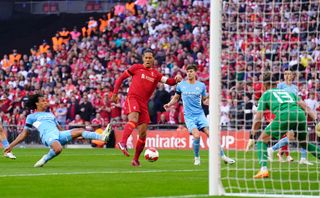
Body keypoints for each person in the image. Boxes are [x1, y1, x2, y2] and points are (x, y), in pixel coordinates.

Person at [111, 49, 182, 166]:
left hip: (143, 103)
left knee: (143, 133)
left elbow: (169, 82)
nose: (148, 60)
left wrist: (176, 79)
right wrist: (115, 93)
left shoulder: (156, 74)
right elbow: (120, 79)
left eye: (150, 58)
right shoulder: (136, 68)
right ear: (143, 58)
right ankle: (122, 142)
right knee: (133, 119)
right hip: (132, 98)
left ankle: (135, 160)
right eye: (146, 57)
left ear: (153, 59)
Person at [4, 94, 111, 167]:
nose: (46, 102)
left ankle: (102, 137)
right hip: (47, 136)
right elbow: (24, 133)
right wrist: (11, 146)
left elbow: (62, 130)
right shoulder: (31, 116)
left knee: (79, 130)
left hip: (58, 134)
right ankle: (45, 158)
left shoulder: (50, 114)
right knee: (58, 148)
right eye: (43, 101)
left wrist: (76, 136)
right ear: (37, 104)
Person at [248, 73, 320, 178]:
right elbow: (306, 107)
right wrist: (317, 121)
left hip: (285, 115)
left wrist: (252, 135)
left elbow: (258, 118)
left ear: (264, 85)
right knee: (304, 144)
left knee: (261, 141)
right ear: (276, 84)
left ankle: (263, 170)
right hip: (300, 115)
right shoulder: (289, 93)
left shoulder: (266, 94)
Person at [163, 64, 235, 165]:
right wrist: (169, 104)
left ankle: (223, 156)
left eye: (191, 71)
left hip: (200, 115)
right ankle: (197, 158)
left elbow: (204, 100)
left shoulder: (201, 86)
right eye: (188, 71)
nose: (189, 73)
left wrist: (210, 101)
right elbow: (176, 98)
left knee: (211, 135)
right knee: (196, 135)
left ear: (195, 72)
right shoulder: (181, 85)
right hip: (189, 116)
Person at [267, 70, 312, 165]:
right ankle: (273, 149)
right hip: (285, 113)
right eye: (286, 74)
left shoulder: (295, 87)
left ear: (293, 76)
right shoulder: (280, 86)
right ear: (284, 76)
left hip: (295, 112)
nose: (288, 76)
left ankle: (302, 158)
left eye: (290, 74)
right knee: (293, 135)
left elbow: (298, 100)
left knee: (298, 135)